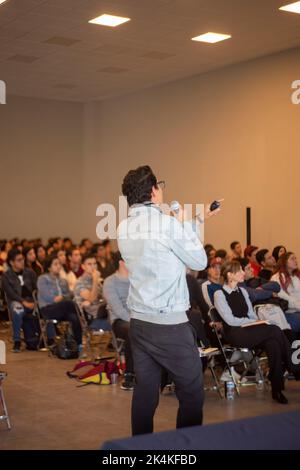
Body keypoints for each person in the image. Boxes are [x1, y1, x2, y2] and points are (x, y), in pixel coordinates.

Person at [117, 165, 213, 436]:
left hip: (140, 322)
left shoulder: (124, 227)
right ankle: (186, 451)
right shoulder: (167, 223)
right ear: (154, 191)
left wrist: (188, 223)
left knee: (146, 393)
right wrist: (182, 223)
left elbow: (161, 251)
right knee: (192, 392)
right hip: (169, 325)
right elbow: (199, 260)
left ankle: (139, 450)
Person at [214, 260, 297, 404]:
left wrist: (255, 321)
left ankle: (277, 389)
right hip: (235, 333)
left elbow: (252, 315)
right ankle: (293, 366)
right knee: (274, 329)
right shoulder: (219, 294)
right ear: (230, 275)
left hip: (250, 330)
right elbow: (231, 321)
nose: (243, 273)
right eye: (239, 270)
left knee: (273, 344)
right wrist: (251, 322)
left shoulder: (243, 292)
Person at [103, 252, 134, 390]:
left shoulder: (136, 279)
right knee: (132, 331)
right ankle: (130, 373)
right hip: (119, 321)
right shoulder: (110, 282)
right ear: (122, 262)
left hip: (138, 317)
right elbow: (117, 309)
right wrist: (135, 320)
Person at [37, 254, 83, 349]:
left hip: (63, 308)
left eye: (59, 264)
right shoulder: (42, 279)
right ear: (49, 267)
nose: (59, 266)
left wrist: (63, 297)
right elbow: (51, 298)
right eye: (55, 264)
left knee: (74, 317)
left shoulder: (63, 280)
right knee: (71, 304)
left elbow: (70, 295)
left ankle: (79, 345)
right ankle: (84, 317)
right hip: (48, 309)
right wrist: (63, 297)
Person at [2, 248, 37, 352]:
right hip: (17, 301)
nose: (22, 261)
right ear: (12, 262)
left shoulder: (30, 272)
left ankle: (50, 339)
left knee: (46, 307)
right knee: (18, 310)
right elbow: (11, 294)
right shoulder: (6, 276)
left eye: (22, 259)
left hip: (32, 300)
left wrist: (36, 301)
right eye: (19, 260)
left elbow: (36, 288)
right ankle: (17, 341)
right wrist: (24, 302)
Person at [74, 253, 110, 331]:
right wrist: (95, 280)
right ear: (83, 266)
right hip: (92, 319)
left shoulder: (97, 280)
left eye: (94, 264)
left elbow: (106, 298)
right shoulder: (80, 282)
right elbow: (92, 298)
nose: (93, 267)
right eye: (89, 264)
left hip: (104, 313)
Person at [271, 252, 300, 333]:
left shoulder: (297, 275)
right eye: (292, 259)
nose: (296, 260)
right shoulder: (276, 278)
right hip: (288, 312)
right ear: (284, 262)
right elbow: (284, 298)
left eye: (295, 258)